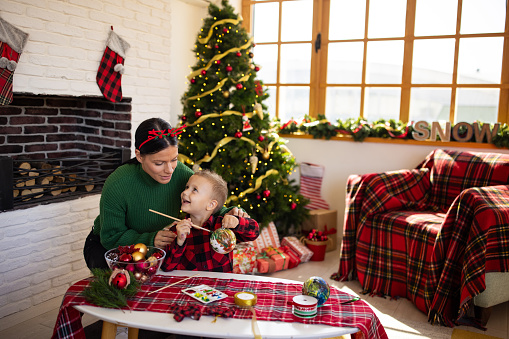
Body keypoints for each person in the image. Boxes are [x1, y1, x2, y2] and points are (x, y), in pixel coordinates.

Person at [83, 117, 248, 270]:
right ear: (139, 156)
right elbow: (111, 236)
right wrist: (151, 240)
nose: (169, 170)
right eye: (159, 163)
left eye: (174, 159)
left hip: (156, 251)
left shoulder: (183, 175)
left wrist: (229, 212)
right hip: (109, 250)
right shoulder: (118, 183)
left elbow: (205, 203)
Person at [161, 170, 259, 272]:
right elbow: (167, 267)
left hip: (220, 285)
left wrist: (237, 222)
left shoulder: (223, 227)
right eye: (186, 187)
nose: (184, 192)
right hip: (189, 285)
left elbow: (254, 232)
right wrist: (179, 242)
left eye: (194, 190)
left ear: (211, 205)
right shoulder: (177, 230)